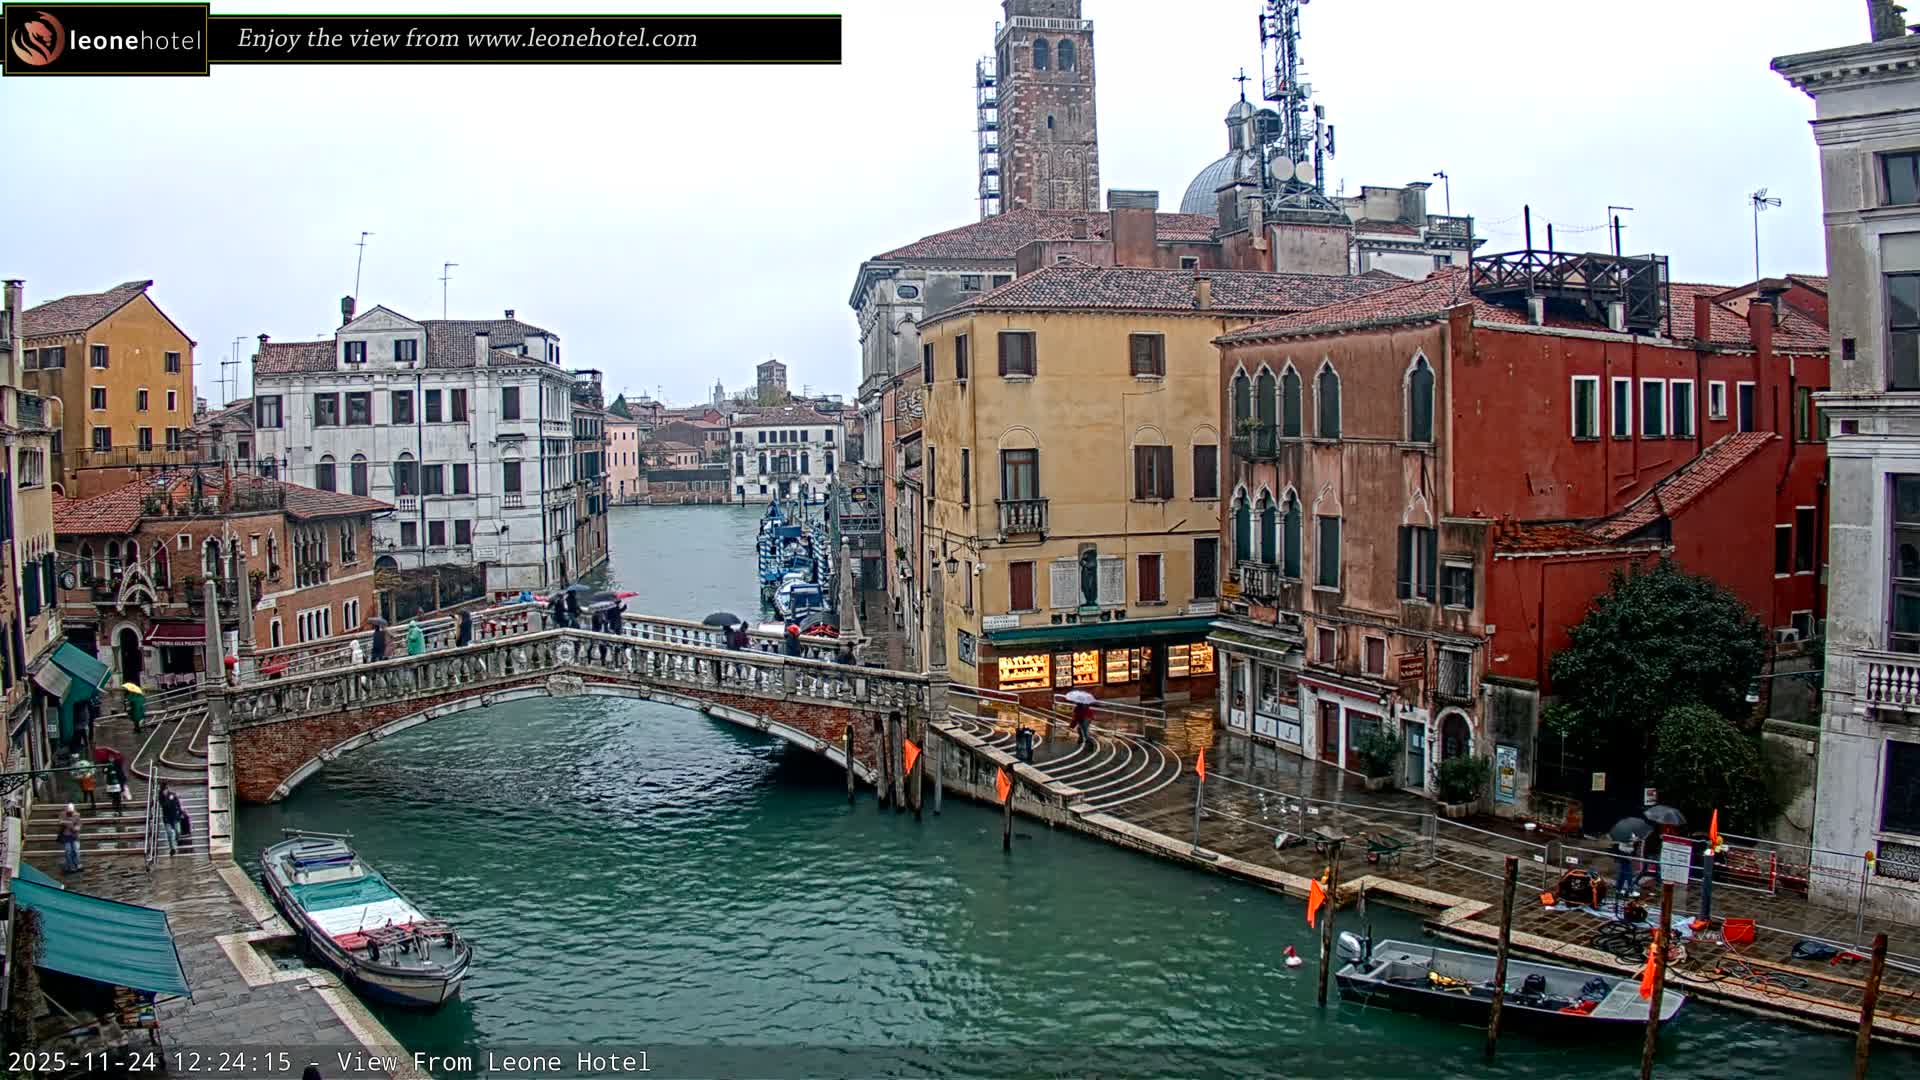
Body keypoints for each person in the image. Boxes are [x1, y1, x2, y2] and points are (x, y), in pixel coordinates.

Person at [1612, 835, 1643, 909]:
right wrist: (1635, 841)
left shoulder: (1629, 832)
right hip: (1625, 854)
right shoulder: (1627, 833)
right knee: (1627, 874)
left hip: (1625, 854)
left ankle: (1619, 890)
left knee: (1623, 873)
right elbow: (1628, 842)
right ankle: (1629, 891)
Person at [159, 782, 183, 855]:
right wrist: (168, 798)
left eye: (166, 789)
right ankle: (172, 848)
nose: (165, 791)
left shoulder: (172, 794)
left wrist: (180, 812)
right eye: (163, 790)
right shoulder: (161, 797)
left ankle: (177, 839)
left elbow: (178, 804)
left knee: (178, 831)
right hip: (167, 818)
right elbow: (164, 805)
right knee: (169, 833)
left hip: (175, 816)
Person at [59, 803, 82, 873]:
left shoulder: (77, 815)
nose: (70, 813)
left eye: (71, 812)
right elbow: (60, 822)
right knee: (68, 851)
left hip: (74, 835)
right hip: (66, 836)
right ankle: (71, 866)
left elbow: (79, 825)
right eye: (69, 812)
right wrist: (67, 823)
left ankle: (77, 864)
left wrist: (75, 828)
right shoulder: (62, 814)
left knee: (76, 851)